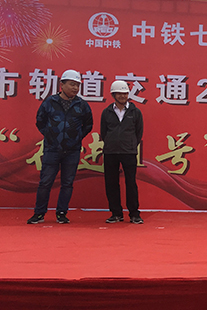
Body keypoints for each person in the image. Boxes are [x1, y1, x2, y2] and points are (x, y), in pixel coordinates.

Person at [27, 69, 93, 224]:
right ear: (62, 85)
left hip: (72, 151)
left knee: (67, 183)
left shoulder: (82, 105)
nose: (75, 88)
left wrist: (76, 137)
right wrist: (50, 136)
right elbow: (40, 121)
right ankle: (39, 213)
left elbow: (88, 125)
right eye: (72, 84)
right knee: (45, 182)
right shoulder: (50, 102)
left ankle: (62, 213)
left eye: (77, 85)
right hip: (52, 150)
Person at [101, 80, 144, 224]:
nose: (122, 96)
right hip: (110, 152)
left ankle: (134, 214)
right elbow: (104, 132)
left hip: (129, 152)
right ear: (113, 95)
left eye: (125, 93)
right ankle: (116, 213)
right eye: (119, 93)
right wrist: (111, 143)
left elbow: (138, 133)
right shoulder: (106, 112)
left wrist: (130, 144)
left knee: (131, 183)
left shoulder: (135, 112)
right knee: (111, 183)